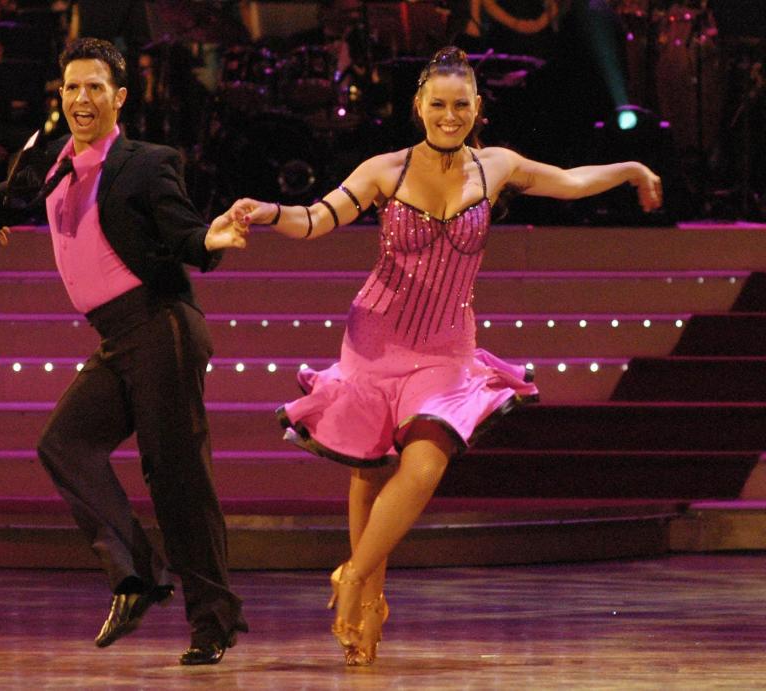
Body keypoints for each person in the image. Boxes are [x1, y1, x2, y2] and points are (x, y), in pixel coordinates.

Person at [233, 46, 662, 666]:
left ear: (478, 108)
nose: (450, 115)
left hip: (445, 347)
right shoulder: (385, 169)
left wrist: (630, 168)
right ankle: (368, 606)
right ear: (420, 106)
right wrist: (266, 211)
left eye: (461, 105)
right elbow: (317, 219)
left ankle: (352, 575)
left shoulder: (497, 167)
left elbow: (569, 182)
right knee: (370, 466)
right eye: (438, 103)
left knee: (427, 459)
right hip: (374, 340)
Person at [0, 37, 248, 665]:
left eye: (95, 87)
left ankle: (213, 622)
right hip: (115, 338)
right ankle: (141, 575)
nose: (81, 98)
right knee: (63, 444)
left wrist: (213, 235)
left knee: (175, 475)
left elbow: (183, 230)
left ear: (119, 97)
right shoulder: (52, 162)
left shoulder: (146, 163)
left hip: (160, 326)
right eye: (71, 87)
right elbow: (9, 191)